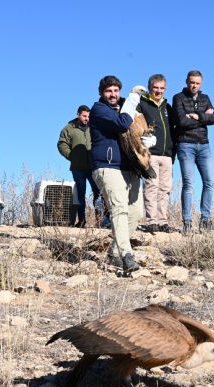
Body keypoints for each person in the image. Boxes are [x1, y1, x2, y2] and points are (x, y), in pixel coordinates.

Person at [90, 75, 143, 274]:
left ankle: (113, 252)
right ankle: (126, 255)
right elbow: (122, 124)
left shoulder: (126, 107)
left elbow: (138, 127)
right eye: (108, 91)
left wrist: (148, 139)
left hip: (130, 167)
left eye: (115, 91)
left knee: (137, 212)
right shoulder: (99, 110)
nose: (113, 95)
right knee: (119, 208)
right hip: (107, 165)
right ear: (102, 93)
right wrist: (130, 101)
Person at [172, 70, 214, 233]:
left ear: (201, 83)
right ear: (186, 81)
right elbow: (181, 121)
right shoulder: (178, 98)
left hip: (204, 145)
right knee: (188, 184)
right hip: (186, 144)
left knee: (210, 182)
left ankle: (205, 220)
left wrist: (197, 116)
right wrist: (204, 117)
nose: (194, 85)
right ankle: (187, 223)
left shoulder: (205, 98)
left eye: (197, 83)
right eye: (192, 82)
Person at [139, 74, 175, 233]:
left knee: (165, 189)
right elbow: (136, 125)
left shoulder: (168, 107)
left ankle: (162, 221)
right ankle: (151, 221)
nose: (159, 91)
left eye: (162, 88)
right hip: (150, 153)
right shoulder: (142, 104)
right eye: (156, 88)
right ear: (150, 88)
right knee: (151, 187)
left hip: (167, 154)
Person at [57, 105, 103, 228]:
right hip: (78, 167)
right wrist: (71, 156)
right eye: (84, 116)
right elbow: (62, 144)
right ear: (78, 114)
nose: (87, 118)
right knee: (80, 194)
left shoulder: (94, 127)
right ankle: (82, 221)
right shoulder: (68, 129)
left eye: (88, 116)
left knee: (98, 193)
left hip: (94, 167)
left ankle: (100, 221)